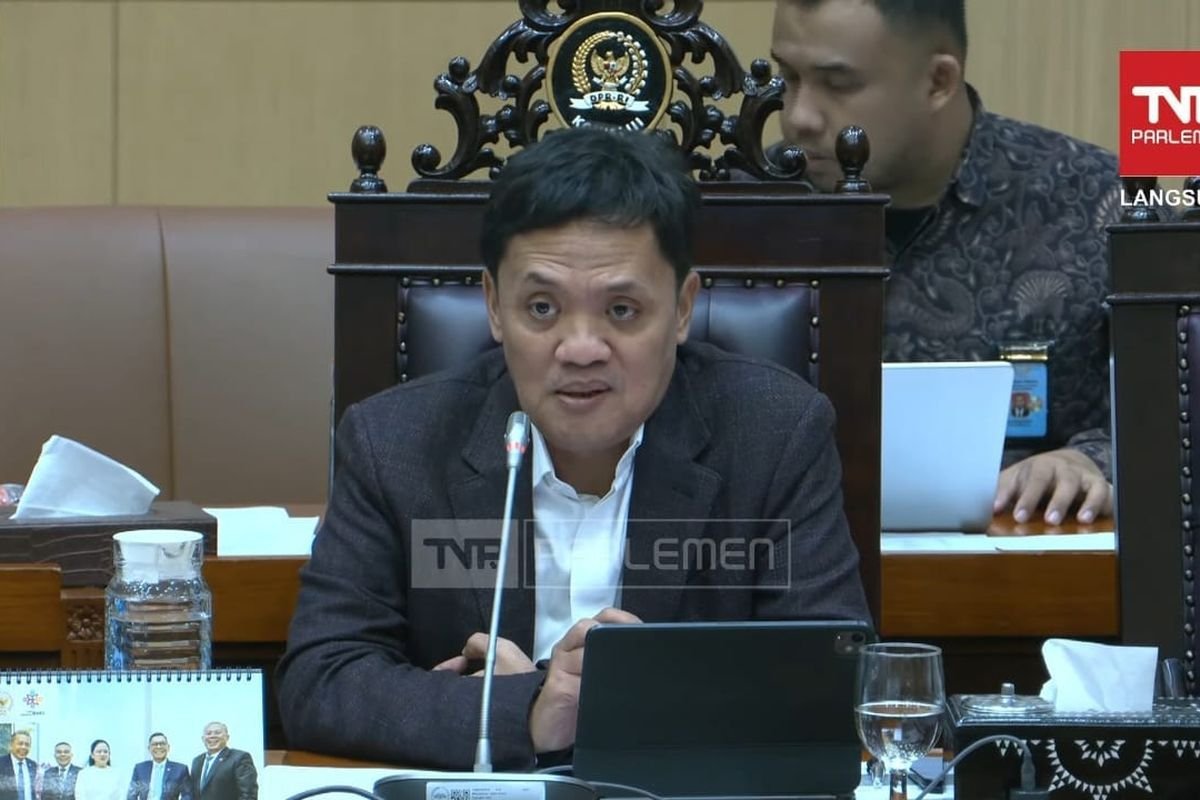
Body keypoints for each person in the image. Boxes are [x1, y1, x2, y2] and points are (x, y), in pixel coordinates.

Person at [276, 126, 870, 770]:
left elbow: (833, 683)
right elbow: (320, 679)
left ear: (681, 308)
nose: (580, 348)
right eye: (541, 308)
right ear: (494, 306)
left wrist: (634, 700)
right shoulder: (394, 442)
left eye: (621, 310)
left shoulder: (774, 433)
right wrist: (526, 709)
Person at [771, 0, 1122, 525]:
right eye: (788, 78)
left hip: (1027, 553)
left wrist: (1091, 461)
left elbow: (1176, 409)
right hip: (789, 550)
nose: (799, 116)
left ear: (938, 81)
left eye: (838, 84)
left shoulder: (1094, 201)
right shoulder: (748, 205)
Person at [189, 723, 255, 800]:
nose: (212, 736)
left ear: (227, 737)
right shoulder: (197, 761)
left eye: (217, 732)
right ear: (203, 739)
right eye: (208, 733)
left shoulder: (240, 758)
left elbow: (248, 794)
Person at [127, 734, 190, 800]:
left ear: (168, 747)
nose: (159, 747)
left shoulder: (180, 769)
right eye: (155, 744)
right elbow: (131, 795)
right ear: (149, 748)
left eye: (162, 744)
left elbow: (187, 795)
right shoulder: (140, 769)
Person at [1, 731, 37, 800]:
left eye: (27, 744)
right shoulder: (1, 764)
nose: (24, 747)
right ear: (11, 745)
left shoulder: (33, 765)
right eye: (20, 743)